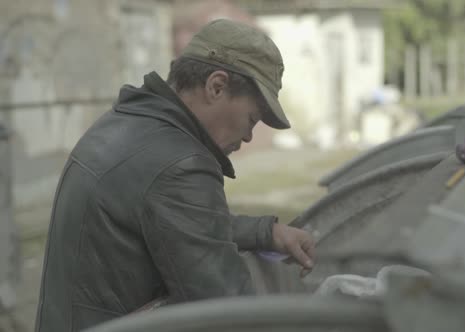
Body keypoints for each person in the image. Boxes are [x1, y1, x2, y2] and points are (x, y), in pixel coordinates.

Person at [34, 19, 315, 331]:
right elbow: (231, 312)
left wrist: (266, 233)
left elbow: (181, 223)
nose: (249, 136)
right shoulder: (181, 164)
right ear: (216, 86)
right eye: (252, 118)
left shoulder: (126, 121)